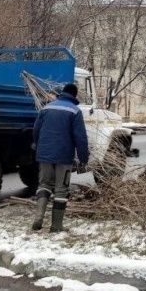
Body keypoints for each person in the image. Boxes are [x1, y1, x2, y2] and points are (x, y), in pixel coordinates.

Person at [30, 83, 89, 232]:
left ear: (63, 93)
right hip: (64, 156)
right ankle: (56, 226)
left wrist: (38, 146)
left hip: (44, 154)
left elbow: (36, 130)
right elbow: (80, 138)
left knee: (44, 184)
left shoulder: (46, 108)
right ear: (74, 95)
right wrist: (83, 158)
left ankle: (38, 218)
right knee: (61, 189)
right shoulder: (75, 111)